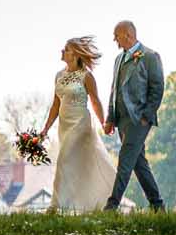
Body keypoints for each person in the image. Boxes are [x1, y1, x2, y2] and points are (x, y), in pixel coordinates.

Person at [38, 36, 118, 213]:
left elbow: (95, 101)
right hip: (64, 126)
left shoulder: (86, 76)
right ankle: (77, 206)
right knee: (74, 165)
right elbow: (55, 105)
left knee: (64, 160)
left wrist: (103, 122)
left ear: (76, 54)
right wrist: (45, 129)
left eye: (66, 49)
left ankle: (56, 207)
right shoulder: (59, 75)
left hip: (81, 124)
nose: (62, 52)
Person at [102, 20, 168, 211]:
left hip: (139, 119)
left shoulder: (150, 56)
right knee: (139, 164)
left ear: (128, 35)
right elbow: (113, 90)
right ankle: (158, 205)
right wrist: (110, 118)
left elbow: (157, 88)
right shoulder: (118, 59)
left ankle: (111, 206)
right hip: (122, 121)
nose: (114, 39)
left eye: (117, 36)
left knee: (125, 160)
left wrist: (146, 116)